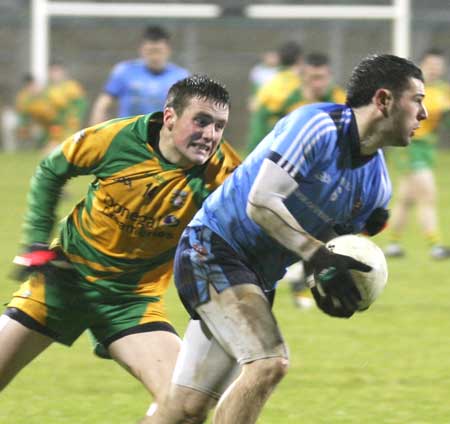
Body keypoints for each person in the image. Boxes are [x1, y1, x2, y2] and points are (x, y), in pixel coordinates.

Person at [146, 54, 427, 424]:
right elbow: (260, 203)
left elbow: (329, 249)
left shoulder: (376, 188)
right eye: (418, 99)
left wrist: (328, 280)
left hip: (256, 279)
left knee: (185, 410)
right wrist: (317, 257)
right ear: (383, 100)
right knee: (268, 363)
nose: (424, 113)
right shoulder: (317, 126)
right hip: (212, 248)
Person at [0, 75, 241, 421]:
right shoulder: (117, 139)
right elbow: (52, 169)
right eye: (201, 121)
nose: (210, 135)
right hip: (64, 281)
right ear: (170, 117)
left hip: (132, 300)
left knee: (187, 407)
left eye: (219, 126)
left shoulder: (225, 174)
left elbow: (256, 225)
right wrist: (37, 241)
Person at [280, 52, 346, 308]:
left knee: (322, 234)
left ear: (328, 76)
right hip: (290, 176)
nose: (317, 83)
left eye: (321, 78)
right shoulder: (287, 101)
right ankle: (302, 287)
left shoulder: (341, 101)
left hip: (329, 179)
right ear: (303, 76)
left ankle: (309, 284)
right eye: (312, 77)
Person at [384, 48, 450, 259]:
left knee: (406, 199)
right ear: (422, 65)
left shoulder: (443, 90)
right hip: (409, 145)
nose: (434, 70)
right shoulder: (410, 88)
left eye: (438, 66)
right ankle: (436, 245)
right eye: (431, 65)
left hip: (427, 148)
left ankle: (392, 243)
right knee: (427, 194)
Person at [90, 25, 190, 124]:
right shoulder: (125, 71)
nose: (154, 57)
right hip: (130, 135)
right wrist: (96, 133)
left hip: (165, 135)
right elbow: (102, 104)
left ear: (168, 50)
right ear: (142, 50)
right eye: (150, 51)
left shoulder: (181, 76)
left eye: (158, 51)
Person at [246, 40, 303, 153]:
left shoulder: (270, 81)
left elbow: (256, 106)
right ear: (300, 59)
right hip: (283, 140)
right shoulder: (301, 84)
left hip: (261, 139)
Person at [44, 62, 88, 153]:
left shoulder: (71, 86)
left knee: (68, 145)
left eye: (57, 71)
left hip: (70, 123)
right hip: (55, 124)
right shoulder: (48, 89)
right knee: (53, 146)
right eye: (52, 71)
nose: (54, 74)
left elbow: (81, 103)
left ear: (62, 72)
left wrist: (76, 116)